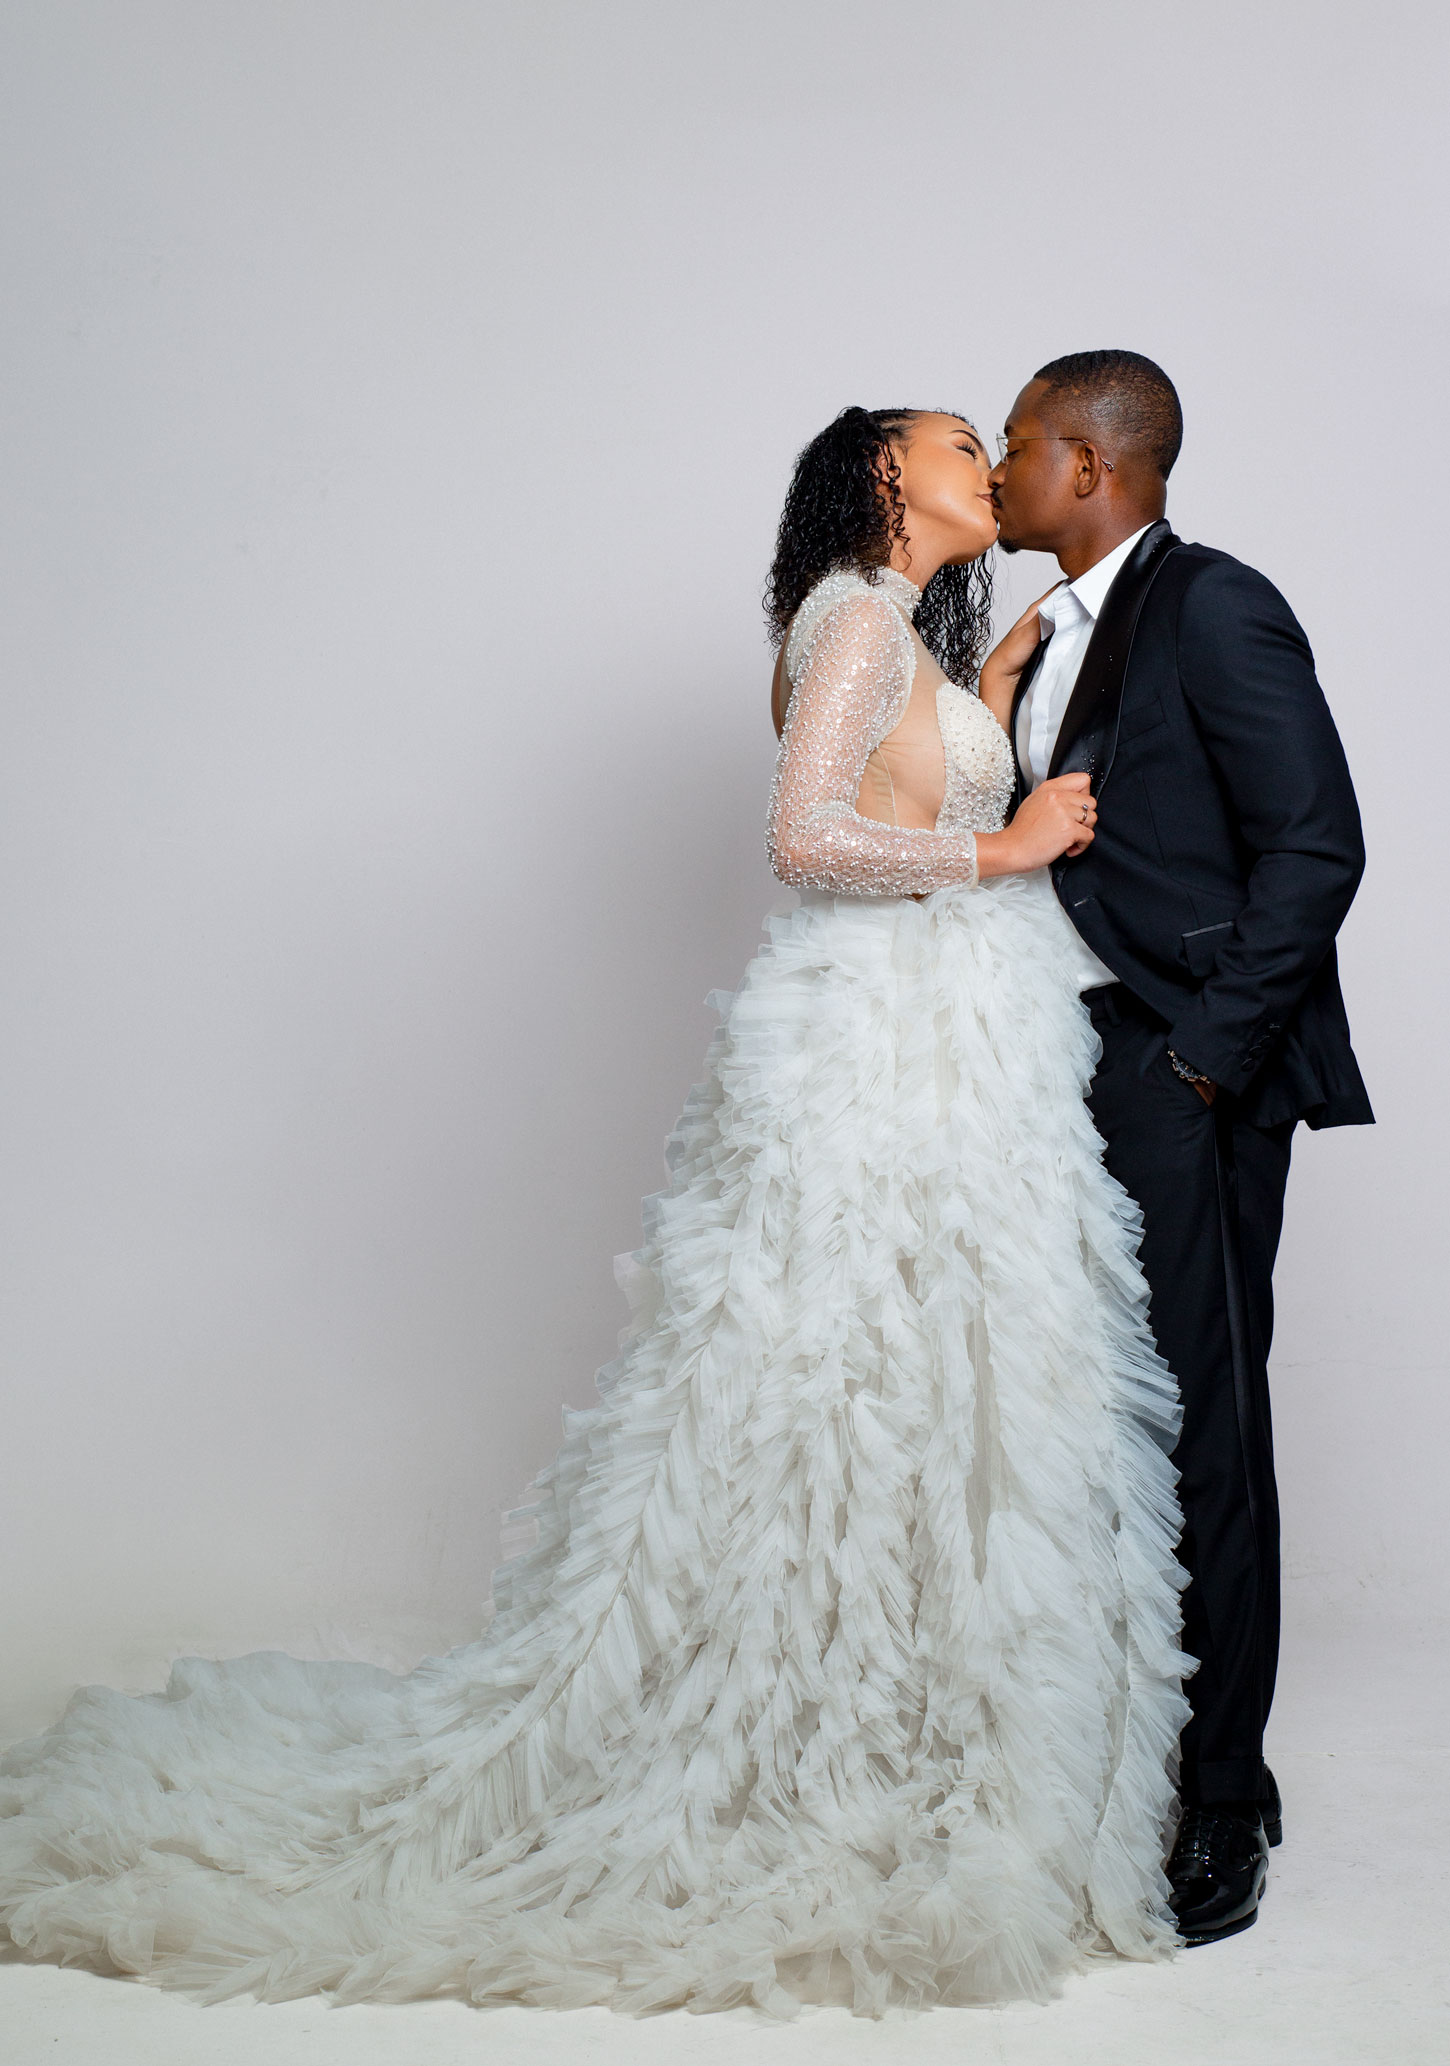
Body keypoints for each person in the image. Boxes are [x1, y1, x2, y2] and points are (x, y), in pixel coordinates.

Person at [0, 406, 1190, 2018]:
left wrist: (982, 702)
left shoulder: (891, 629)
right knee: (832, 1370)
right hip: (873, 1041)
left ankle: (913, 1708)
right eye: (955, 441)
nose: (986, 462)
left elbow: (895, 783)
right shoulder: (852, 620)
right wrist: (1007, 842)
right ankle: (781, 1734)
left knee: (922, 1377)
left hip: (944, 1034)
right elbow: (804, 835)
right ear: (881, 476)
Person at [985, 351, 1371, 1945]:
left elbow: (1316, 841)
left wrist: (1205, 1054)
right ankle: (1119, 1737)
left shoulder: (1213, 604)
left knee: (1201, 1417)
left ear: (1088, 465)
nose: (997, 471)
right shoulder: (1046, 633)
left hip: (1178, 1067)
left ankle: (1221, 1791)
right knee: (1091, 1416)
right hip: (1052, 1064)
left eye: (1017, 445)